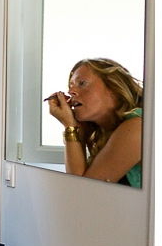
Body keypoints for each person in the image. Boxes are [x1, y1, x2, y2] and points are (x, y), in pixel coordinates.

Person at [45, 58, 143, 187]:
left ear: (114, 89)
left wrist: (70, 126)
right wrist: (74, 128)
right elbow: (79, 182)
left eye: (82, 83)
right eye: (71, 85)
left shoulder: (136, 126)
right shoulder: (105, 132)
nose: (70, 92)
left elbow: (83, 191)